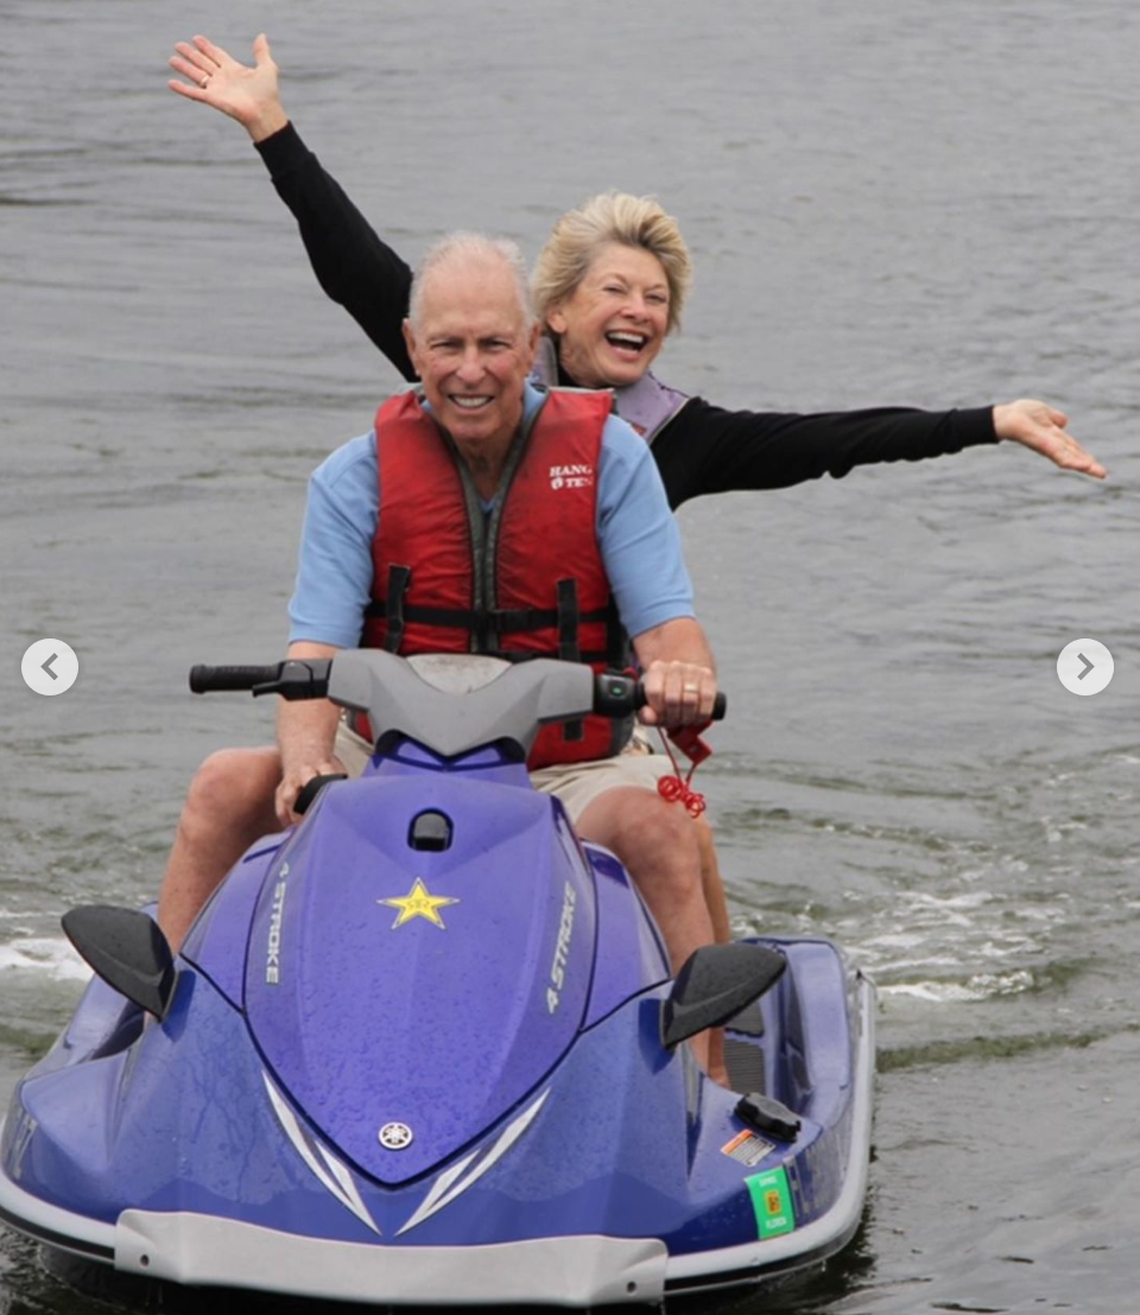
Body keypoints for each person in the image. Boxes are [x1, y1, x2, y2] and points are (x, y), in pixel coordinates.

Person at [157, 234, 725, 1067]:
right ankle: (144, 1032)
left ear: (532, 345)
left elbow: (668, 625)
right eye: (449, 346)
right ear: (413, 347)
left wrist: (682, 673)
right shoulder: (354, 476)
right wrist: (307, 762)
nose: (471, 370)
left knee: (663, 828)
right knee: (222, 783)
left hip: (566, 768)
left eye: (495, 344)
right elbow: (313, 650)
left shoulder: (611, 460)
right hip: (387, 758)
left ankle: (706, 1080)